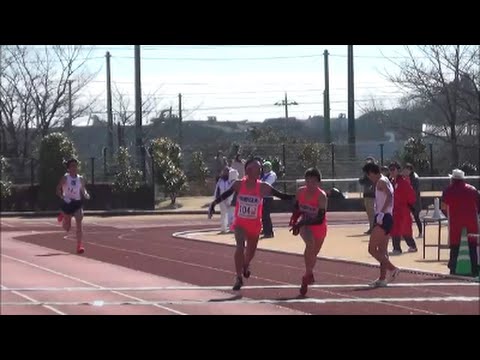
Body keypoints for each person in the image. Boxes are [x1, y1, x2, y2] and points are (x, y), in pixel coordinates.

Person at [208, 157, 295, 290]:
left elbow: (281, 195)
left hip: (254, 224)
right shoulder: (238, 184)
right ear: (248, 170)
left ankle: (246, 264)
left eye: (260, 168)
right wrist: (213, 204)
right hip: (240, 223)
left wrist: (298, 197)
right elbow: (225, 195)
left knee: (250, 252)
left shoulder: (263, 187)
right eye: (257, 168)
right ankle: (238, 277)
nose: (260, 171)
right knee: (240, 247)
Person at [289, 168, 328, 296]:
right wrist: (295, 222)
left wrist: (301, 222)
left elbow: (319, 218)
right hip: (305, 224)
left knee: (313, 254)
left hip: (319, 226)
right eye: (308, 181)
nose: (310, 184)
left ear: (318, 183)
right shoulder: (300, 192)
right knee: (310, 244)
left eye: (313, 182)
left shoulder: (321, 196)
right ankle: (307, 275)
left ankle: (308, 274)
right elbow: (296, 209)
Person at [362, 162, 400, 287]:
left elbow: (389, 196)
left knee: (372, 249)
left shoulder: (380, 182)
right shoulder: (385, 180)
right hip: (387, 217)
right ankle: (382, 278)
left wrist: (381, 213)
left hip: (384, 218)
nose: (369, 178)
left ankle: (392, 268)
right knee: (382, 250)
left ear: (371, 173)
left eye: (368, 176)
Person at [441, 169, 479, 277]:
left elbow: (443, 206)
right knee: (471, 246)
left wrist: (447, 216)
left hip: (455, 222)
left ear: (453, 179)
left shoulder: (448, 190)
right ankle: (474, 269)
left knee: (455, 246)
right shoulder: (473, 190)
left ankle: (453, 269)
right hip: (472, 223)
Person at [56, 158, 90, 254]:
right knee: (67, 228)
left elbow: (83, 189)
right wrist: (63, 197)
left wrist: (86, 194)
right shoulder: (65, 178)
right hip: (68, 203)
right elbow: (58, 189)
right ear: (68, 168)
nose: (74, 168)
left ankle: (79, 246)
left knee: (79, 223)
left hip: (77, 202)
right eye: (72, 166)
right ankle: (63, 215)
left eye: (76, 166)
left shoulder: (81, 178)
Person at [389, 161, 418, 255]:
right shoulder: (393, 182)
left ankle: (398, 248)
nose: (391, 172)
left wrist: (408, 205)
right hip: (395, 209)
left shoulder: (403, 182)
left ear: (398, 170)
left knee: (400, 229)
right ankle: (411, 246)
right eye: (390, 170)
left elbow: (412, 196)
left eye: (393, 170)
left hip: (402, 209)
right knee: (399, 228)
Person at [403, 163, 423, 238]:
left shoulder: (414, 178)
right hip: (409, 200)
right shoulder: (406, 177)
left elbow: (414, 190)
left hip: (415, 201)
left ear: (410, 170)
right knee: (406, 217)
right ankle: (405, 233)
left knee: (416, 216)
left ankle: (420, 233)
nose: (405, 171)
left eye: (407, 169)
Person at [359, 157, 376, 235]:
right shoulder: (365, 173)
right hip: (367, 194)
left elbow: (372, 181)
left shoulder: (373, 172)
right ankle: (371, 227)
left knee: (372, 212)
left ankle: (374, 228)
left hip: (372, 195)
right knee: (369, 213)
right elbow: (362, 181)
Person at [213, 166, 234, 234]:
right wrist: (216, 198)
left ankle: (232, 228)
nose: (225, 173)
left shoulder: (232, 180)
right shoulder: (220, 180)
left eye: (227, 171)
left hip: (230, 198)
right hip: (222, 199)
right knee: (223, 214)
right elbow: (217, 189)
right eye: (224, 171)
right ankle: (223, 229)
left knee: (231, 214)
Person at [260, 161, 277, 238]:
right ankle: (265, 229)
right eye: (264, 167)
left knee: (266, 215)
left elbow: (266, 184)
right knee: (263, 214)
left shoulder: (272, 175)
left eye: (266, 167)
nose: (264, 168)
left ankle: (269, 232)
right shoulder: (264, 175)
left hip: (268, 197)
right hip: (263, 197)